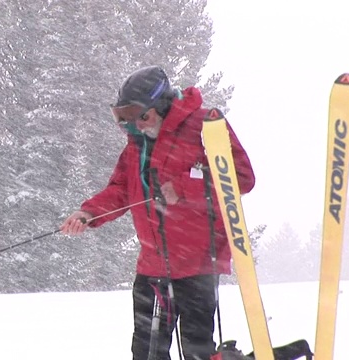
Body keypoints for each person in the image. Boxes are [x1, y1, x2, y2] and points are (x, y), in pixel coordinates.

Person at [59, 65, 255, 360]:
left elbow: (241, 179)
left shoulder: (205, 126)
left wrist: (184, 189)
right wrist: (88, 213)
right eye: (122, 119)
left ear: (161, 105)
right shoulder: (136, 147)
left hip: (198, 264)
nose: (133, 126)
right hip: (153, 266)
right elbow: (121, 190)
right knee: (147, 352)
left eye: (140, 117)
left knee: (196, 350)